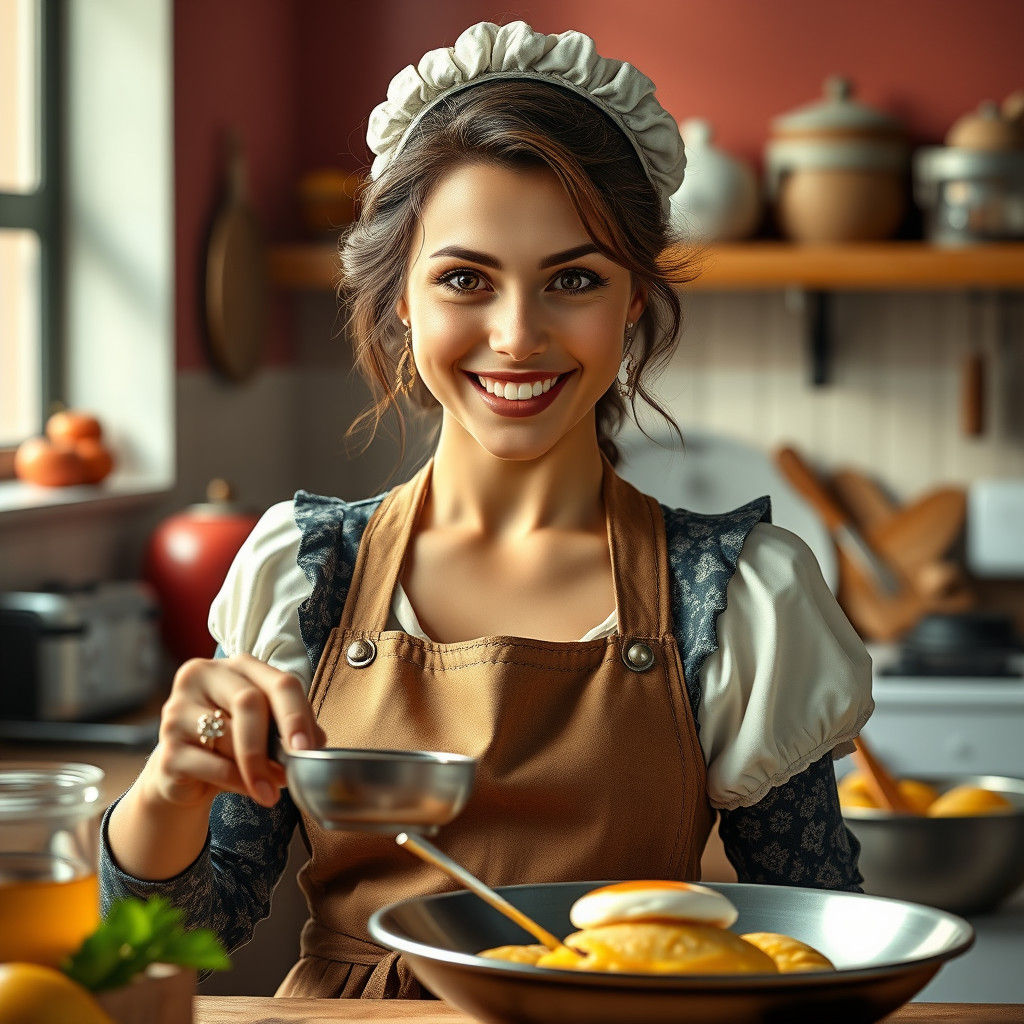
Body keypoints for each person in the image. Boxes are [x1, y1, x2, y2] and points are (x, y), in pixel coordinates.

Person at [100, 20, 874, 999]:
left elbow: (823, 951)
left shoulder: (731, 593)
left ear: (633, 299)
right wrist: (170, 785)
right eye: (465, 278)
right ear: (402, 299)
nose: (516, 336)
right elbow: (173, 942)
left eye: (574, 280)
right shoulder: (306, 573)